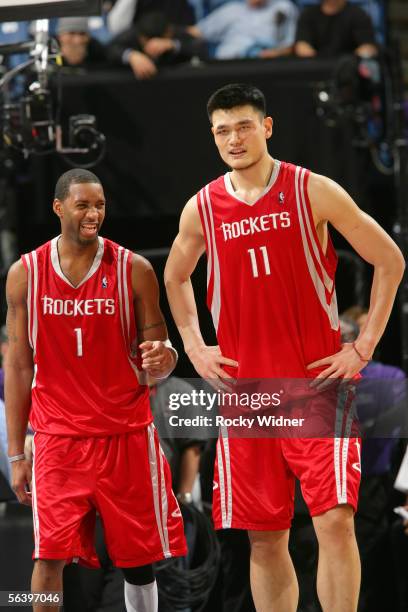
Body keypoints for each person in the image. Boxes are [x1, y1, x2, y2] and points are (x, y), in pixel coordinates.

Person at [164, 83, 405, 612]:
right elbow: (174, 277)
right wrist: (196, 349)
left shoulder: (312, 190)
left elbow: (390, 260)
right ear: (212, 136)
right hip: (248, 395)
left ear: (267, 127)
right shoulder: (201, 208)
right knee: (264, 536)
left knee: (336, 521)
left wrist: (363, 347)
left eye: (244, 125)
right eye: (222, 130)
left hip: (316, 386)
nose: (233, 138)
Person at [5, 168, 187, 612]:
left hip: (125, 435)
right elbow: (16, 365)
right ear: (58, 207)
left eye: (100, 205)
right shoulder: (25, 274)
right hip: (58, 440)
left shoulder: (135, 269)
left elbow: (158, 349)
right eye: (83, 204)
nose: (94, 213)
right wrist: (15, 452)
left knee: (138, 563)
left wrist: (167, 358)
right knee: (47, 558)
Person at [108, 11, 207, 80]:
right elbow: (109, 49)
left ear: (168, 33)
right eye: (147, 42)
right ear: (141, 37)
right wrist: (131, 56)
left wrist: (173, 44)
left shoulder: (176, 33)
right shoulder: (132, 34)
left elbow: (201, 47)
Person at [188, 0, 298, 60]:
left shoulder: (283, 7)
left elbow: (292, 45)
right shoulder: (231, 9)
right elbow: (198, 32)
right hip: (228, 65)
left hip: (265, 64)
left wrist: (275, 53)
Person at [294, 0, 378, 58]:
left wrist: (350, 62)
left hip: (349, 71)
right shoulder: (308, 15)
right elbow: (302, 45)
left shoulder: (359, 15)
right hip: (316, 69)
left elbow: (368, 47)